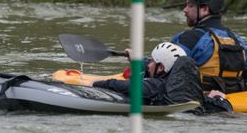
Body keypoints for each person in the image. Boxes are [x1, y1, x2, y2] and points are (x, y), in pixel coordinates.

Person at [93, 42, 232, 113]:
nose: (149, 65)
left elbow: (122, 86)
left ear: (161, 68)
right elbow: (226, 109)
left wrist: (95, 84)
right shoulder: (196, 95)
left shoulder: (155, 86)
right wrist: (218, 98)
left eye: (152, 61)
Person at [171, 0, 247, 93]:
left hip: (199, 98)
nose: (185, 10)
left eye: (190, 5)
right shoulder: (238, 40)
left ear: (205, 9)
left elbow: (166, 68)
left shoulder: (189, 38)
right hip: (232, 97)